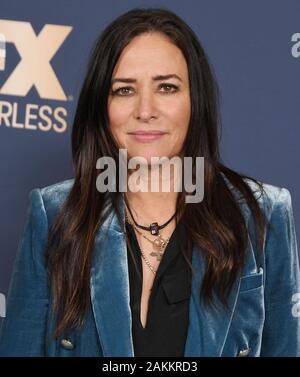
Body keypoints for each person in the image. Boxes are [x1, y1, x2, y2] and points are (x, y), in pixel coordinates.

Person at [0, 7, 299, 357]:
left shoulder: (262, 213)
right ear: (102, 106)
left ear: (195, 102)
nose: (145, 109)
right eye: (124, 90)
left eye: (167, 87)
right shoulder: (54, 214)